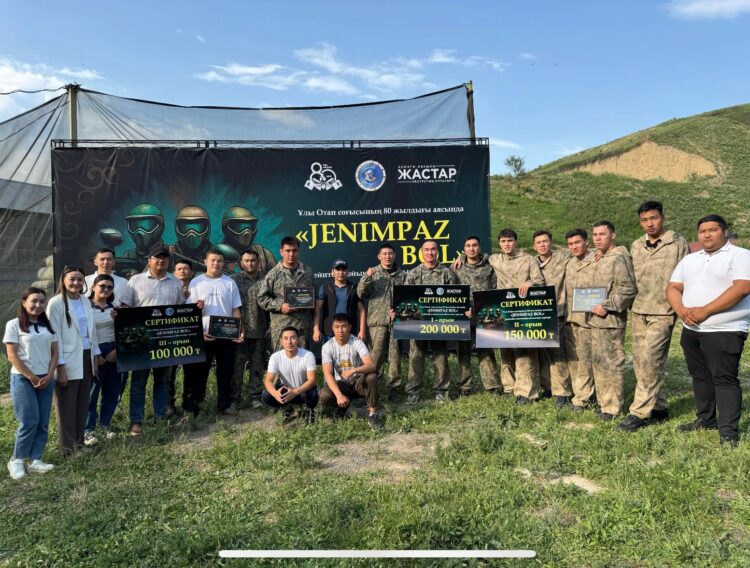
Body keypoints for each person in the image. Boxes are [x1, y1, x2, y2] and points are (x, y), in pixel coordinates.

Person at [667, 214, 750, 447]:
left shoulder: (740, 255)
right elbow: (673, 287)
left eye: (712, 230)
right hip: (691, 329)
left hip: (725, 329)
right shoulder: (690, 260)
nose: (707, 235)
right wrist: (682, 310)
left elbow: (742, 288)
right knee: (700, 377)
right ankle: (705, 419)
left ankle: (728, 432)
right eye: (702, 231)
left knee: (724, 379)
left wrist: (705, 311)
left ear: (724, 231)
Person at [618, 202, 689, 432]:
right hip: (639, 310)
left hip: (663, 311)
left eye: (653, 218)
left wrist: (682, 307)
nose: (649, 223)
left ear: (662, 217)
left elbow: (687, 275)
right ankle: (659, 407)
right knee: (640, 361)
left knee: (650, 359)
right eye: (644, 220)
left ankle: (638, 412)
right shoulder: (637, 245)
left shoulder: (677, 242)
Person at [120, 246, 185, 435]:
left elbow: (181, 308)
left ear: (169, 261)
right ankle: (137, 421)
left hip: (165, 340)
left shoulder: (175, 282)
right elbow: (125, 306)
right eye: (157, 258)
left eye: (165, 258)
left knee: (162, 380)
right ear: (149, 260)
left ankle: (160, 417)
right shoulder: (135, 281)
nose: (161, 261)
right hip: (140, 340)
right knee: (138, 382)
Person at [4, 287, 58, 479]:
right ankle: (17, 460)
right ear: (24, 302)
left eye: (42, 301)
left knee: (42, 421)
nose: (38, 305)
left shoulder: (48, 326)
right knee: (29, 421)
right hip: (23, 379)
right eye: (34, 301)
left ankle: (36, 459)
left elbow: (55, 352)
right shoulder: (14, 324)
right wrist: (32, 377)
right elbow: (12, 356)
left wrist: (50, 375)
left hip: (46, 378)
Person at [46, 266, 101, 454]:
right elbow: (54, 337)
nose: (76, 283)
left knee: (82, 402)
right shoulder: (56, 303)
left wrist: (95, 357)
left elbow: (91, 331)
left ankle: (79, 443)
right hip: (67, 359)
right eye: (72, 279)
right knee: (66, 406)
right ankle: (68, 448)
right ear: (63, 280)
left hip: (86, 356)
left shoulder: (85, 301)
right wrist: (60, 367)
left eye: (80, 279)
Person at [183, 248, 244, 416]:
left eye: (219, 260)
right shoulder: (196, 282)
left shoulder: (230, 282)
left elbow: (235, 309)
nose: (216, 263)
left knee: (225, 371)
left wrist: (240, 330)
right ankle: (197, 404)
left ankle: (224, 405)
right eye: (213, 260)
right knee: (200, 371)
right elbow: (190, 311)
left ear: (223, 263)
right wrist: (198, 331)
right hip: (204, 335)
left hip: (227, 335)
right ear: (205, 261)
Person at [488, 229, 545, 404]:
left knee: (525, 352)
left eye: (510, 240)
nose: (507, 244)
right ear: (499, 243)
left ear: (515, 242)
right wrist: (460, 258)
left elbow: (540, 281)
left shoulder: (528, 259)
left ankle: (525, 392)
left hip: (523, 310)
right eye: (503, 241)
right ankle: (509, 387)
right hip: (504, 311)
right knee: (505, 351)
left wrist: (530, 282)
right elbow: (475, 258)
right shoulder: (494, 259)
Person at [588, 221, 636, 420]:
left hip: (611, 320)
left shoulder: (619, 258)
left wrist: (607, 305)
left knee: (612, 363)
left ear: (613, 235)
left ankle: (613, 407)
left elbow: (628, 290)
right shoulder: (602, 257)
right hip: (596, 320)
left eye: (602, 234)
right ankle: (604, 403)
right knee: (599, 362)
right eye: (595, 235)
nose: (598, 238)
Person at [404, 240, 459, 404]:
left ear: (437, 251)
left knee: (440, 356)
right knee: (416, 357)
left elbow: (455, 298)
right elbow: (406, 298)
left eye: (433, 249)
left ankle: (442, 391)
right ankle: (413, 391)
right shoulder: (413, 274)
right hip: (417, 324)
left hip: (439, 323)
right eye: (426, 250)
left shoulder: (446, 273)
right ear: (422, 252)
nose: (430, 252)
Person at [453, 235, 501, 396]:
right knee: (463, 352)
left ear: (479, 247)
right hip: (464, 314)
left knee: (486, 351)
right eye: (468, 246)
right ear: (464, 249)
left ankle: (492, 386)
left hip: (483, 315)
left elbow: (495, 288)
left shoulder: (489, 266)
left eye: (474, 245)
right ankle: (464, 387)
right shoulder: (456, 267)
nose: (471, 248)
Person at [357, 244, 406, 402]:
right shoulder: (373, 273)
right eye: (384, 254)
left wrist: (400, 313)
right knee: (375, 358)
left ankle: (394, 389)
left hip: (397, 322)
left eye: (390, 253)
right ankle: (369, 389)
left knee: (395, 357)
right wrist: (367, 277)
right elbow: (360, 293)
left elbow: (408, 297)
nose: (387, 256)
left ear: (394, 255)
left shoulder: (402, 275)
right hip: (377, 322)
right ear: (379, 256)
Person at [319, 314, 383, 429]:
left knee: (371, 377)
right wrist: (339, 395)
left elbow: (372, 366)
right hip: (341, 384)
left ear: (350, 327)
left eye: (344, 326)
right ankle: (341, 407)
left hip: (358, 382)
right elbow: (327, 373)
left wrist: (354, 370)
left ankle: (373, 415)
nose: (340, 330)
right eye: (337, 327)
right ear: (332, 328)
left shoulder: (357, 342)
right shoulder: (327, 347)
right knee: (324, 394)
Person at [533, 230, 573, 408]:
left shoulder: (562, 258)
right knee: (543, 354)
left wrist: (597, 254)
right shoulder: (531, 262)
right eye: (539, 242)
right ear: (534, 246)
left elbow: (582, 252)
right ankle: (547, 386)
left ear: (551, 243)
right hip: (538, 315)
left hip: (558, 312)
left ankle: (562, 392)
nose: (542, 245)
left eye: (545, 241)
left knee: (558, 354)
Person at [83, 275, 122, 444]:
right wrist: (95, 355)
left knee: (112, 391)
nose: (106, 289)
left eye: (109, 287)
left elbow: (124, 331)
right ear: (93, 287)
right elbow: (83, 333)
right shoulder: (85, 307)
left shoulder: (115, 309)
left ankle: (105, 425)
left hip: (113, 351)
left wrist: (117, 350)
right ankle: (88, 430)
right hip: (93, 351)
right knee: (92, 393)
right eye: (102, 286)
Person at [258, 236, 315, 350]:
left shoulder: (307, 272)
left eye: (294, 250)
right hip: (281, 327)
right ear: (281, 252)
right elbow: (262, 298)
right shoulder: (273, 273)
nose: (291, 254)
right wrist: (280, 306)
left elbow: (314, 297)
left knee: (303, 359)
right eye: (287, 251)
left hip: (302, 328)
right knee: (281, 360)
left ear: (298, 251)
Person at [230, 250, 270, 410]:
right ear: (241, 263)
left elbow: (271, 303)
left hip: (260, 330)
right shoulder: (233, 280)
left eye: (253, 260)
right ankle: (234, 399)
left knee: (257, 366)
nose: (250, 263)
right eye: (246, 260)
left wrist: (271, 325)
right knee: (236, 367)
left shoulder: (266, 279)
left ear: (258, 261)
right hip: (239, 332)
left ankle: (255, 397)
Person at [563, 229, 597, 411]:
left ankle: (583, 399)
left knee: (585, 360)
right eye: (570, 244)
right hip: (570, 318)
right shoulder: (569, 264)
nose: (574, 247)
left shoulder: (597, 260)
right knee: (574, 359)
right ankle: (580, 393)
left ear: (586, 242)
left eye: (577, 242)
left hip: (588, 320)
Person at [261, 326, 318, 424]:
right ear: (281, 341)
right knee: (266, 395)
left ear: (298, 340)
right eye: (286, 338)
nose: (289, 342)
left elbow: (312, 380)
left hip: (302, 391)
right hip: (286, 391)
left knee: (313, 395)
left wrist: (295, 392)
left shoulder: (308, 355)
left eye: (293, 338)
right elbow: (268, 381)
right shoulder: (275, 357)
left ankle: (308, 410)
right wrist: (276, 394)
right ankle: (287, 409)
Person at [313, 259, 366, 343]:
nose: (341, 272)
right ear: (332, 272)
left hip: (349, 331)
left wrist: (362, 330)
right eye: (338, 270)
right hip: (329, 332)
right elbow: (317, 309)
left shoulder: (354, 288)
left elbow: (362, 310)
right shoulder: (325, 287)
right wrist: (316, 329)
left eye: (343, 270)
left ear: (348, 272)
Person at [166, 259, 194, 417]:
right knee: (169, 372)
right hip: (172, 335)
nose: (182, 271)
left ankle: (188, 404)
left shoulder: (197, 287)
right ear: (174, 272)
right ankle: (169, 404)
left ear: (191, 272)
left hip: (191, 335)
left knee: (190, 371)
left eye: (186, 268)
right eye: (179, 268)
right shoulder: (169, 288)